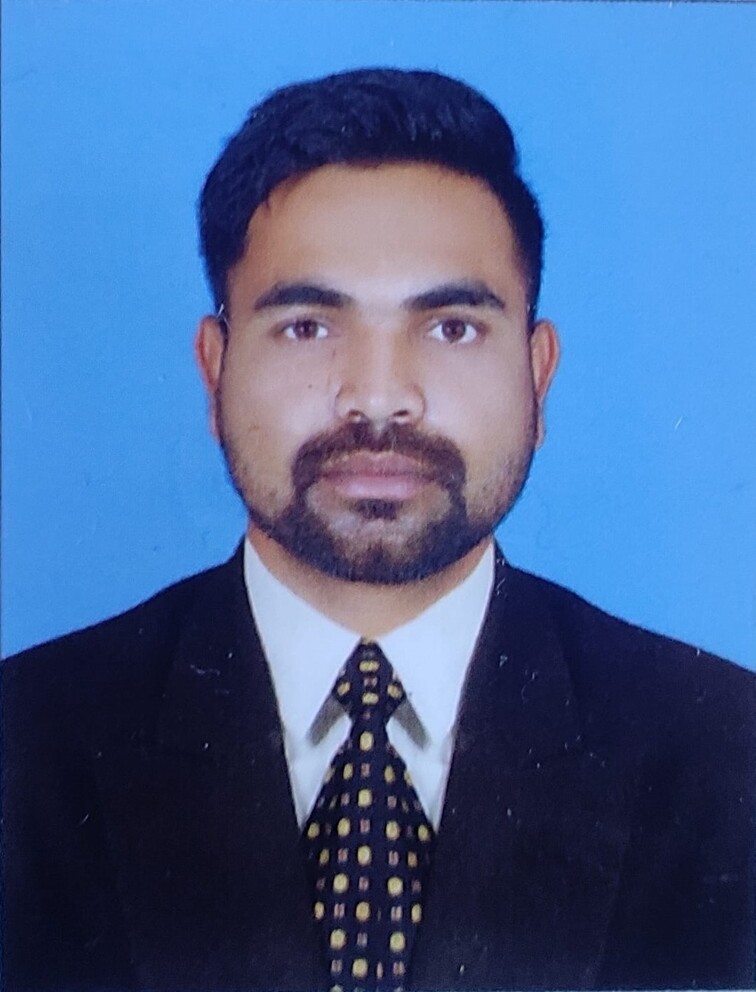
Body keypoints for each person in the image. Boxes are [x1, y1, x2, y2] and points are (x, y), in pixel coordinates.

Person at [2, 68, 754, 992]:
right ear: (214, 368)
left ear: (539, 373)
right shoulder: (23, 746)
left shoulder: (728, 754)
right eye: (308, 326)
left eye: (452, 328)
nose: (379, 397)